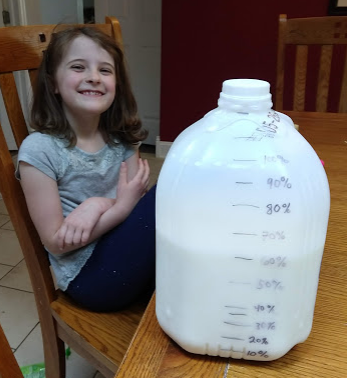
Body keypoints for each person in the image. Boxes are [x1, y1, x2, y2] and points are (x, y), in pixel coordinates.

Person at [15, 26, 156, 312]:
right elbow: (56, 243)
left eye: (105, 70)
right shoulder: (40, 150)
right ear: (53, 82)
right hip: (90, 278)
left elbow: (134, 213)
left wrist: (97, 203)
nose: (93, 76)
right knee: (169, 194)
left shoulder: (122, 140)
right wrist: (117, 208)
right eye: (78, 67)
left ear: (117, 84)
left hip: (132, 261)